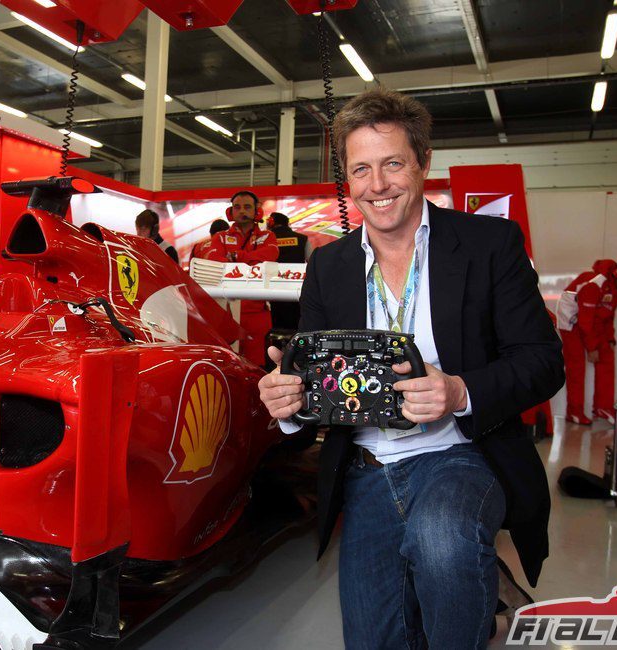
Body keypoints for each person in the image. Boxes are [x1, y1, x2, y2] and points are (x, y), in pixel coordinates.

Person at [257, 87, 564, 648]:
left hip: (462, 453)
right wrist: (289, 401)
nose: (378, 185)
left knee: (441, 536)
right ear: (347, 181)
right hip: (368, 467)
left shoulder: (489, 244)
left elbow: (543, 361)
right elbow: (315, 378)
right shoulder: (329, 265)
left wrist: (459, 391)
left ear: (423, 163)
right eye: (361, 169)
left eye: (393, 163)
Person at [558, 259, 617, 428]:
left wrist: (609, 339)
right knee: (576, 365)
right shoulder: (594, 284)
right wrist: (591, 348)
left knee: (607, 355)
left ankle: (603, 407)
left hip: (589, 319)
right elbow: (585, 320)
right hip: (571, 320)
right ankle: (574, 411)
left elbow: (607, 315)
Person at [206, 190, 279, 366]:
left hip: (258, 312)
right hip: (227, 313)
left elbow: (271, 254)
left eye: (247, 207)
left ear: (257, 211)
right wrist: (252, 260)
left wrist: (237, 257)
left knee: (258, 366)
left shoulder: (267, 236)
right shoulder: (220, 237)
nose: (242, 211)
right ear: (231, 212)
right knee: (227, 364)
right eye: (237, 207)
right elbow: (217, 262)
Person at [266, 212, 311, 332]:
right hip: (296, 289)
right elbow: (311, 261)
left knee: (276, 326)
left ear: (271, 222)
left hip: (272, 289)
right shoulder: (302, 239)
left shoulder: (266, 240)